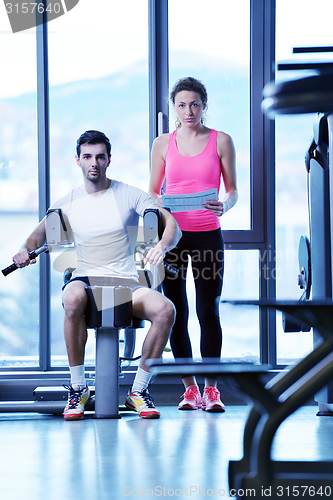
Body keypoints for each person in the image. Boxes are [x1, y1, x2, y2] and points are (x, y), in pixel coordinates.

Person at [12, 130, 181, 421]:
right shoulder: (68, 202)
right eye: (87, 157)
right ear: (78, 160)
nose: (94, 163)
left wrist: (162, 247)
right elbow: (36, 238)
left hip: (127, 281)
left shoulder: (128, 194)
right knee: (72, 297)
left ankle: (138, 391)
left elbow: (171, 226)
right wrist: (23, 252)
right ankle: (78, 389)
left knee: (166, 309)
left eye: (100, 157)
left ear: (109, 160)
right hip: (86, 279)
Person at [149, 77, 238, 412]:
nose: (188, 111)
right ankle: (189, 389)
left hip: (207, 236)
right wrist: (161, 206)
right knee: (177, 313)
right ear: (174, 107)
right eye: (182, 105)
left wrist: (224, 206)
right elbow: (153, 192)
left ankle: (211, 391)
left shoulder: (221, 141)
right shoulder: (161, 144)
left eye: (195, 104)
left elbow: (232, 191)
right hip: (172, 238)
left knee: (208, 311)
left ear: (204, 105)